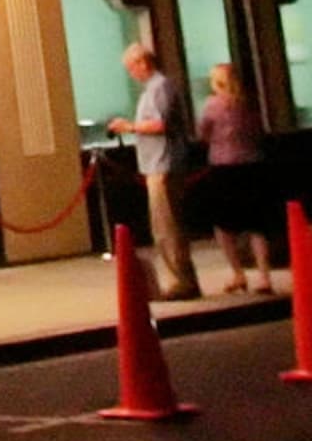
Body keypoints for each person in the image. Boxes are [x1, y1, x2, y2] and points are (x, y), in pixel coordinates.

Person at [106, 43, 202, 300]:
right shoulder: (153, 89)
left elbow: (160, 124)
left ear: (143, 63)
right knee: (163, 226)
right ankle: (180, 278)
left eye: (131, 68)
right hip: (155, 164)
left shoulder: (160, 87)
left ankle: (181, 280)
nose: (131, 73)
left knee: (167, 226)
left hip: (164, 163)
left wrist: (130, 127)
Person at [193, 62, 276, 293]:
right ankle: (264, 276)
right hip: (252, 165)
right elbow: (259, 132)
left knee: (223, 225)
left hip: (223, 168)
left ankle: (238, 273)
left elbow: (202, 134)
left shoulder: (212, 105)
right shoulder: (249, 104)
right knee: (256, 224)